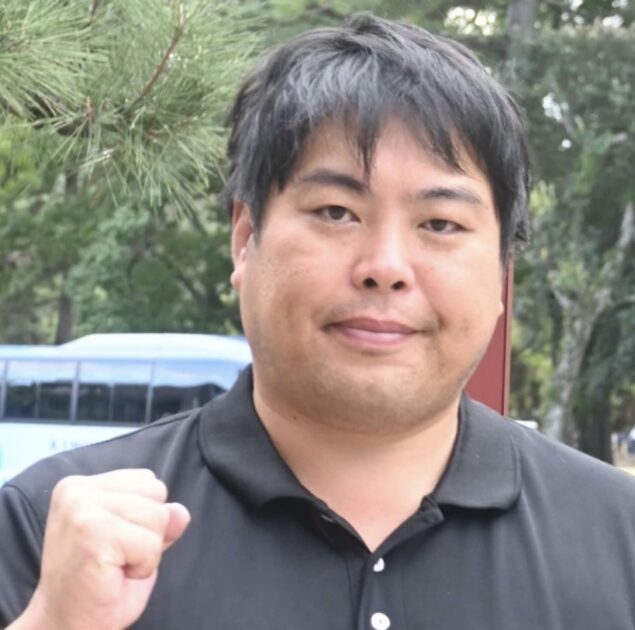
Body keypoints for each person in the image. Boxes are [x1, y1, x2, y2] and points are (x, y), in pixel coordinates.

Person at [2, 13, 635, 630]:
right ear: (245, 240)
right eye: (336, 212)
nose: (385, 267)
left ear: (501, 273)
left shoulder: (619, 536)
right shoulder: (53, 536)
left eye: (440, 224)